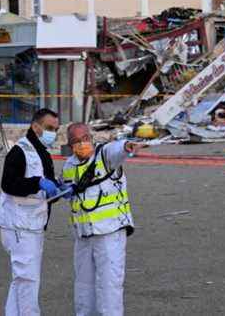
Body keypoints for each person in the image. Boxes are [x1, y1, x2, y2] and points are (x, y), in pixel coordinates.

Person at [59, 123, 147, 316]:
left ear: (91, 137)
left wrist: (126, 146)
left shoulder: (104, 156)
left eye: (84, 138)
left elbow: (118, 149)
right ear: (69, 144)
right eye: (76, 141)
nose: (82, 143)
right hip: (83, 236)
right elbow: (65, 190)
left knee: (109, 285)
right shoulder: (68, 166)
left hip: (109, 232)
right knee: (83, 286)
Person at [0, 108, 61, 316]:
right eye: (50, 128)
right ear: (36, 126)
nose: (53, 133)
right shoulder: (20, 151)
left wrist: (59, 190)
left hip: (32, 224)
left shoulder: (42, 152)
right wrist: (38, 183)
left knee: (22, 279)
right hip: (19, 226)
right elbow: (9, 184)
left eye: (56, 129)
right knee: (27, 279)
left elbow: (46, 189)